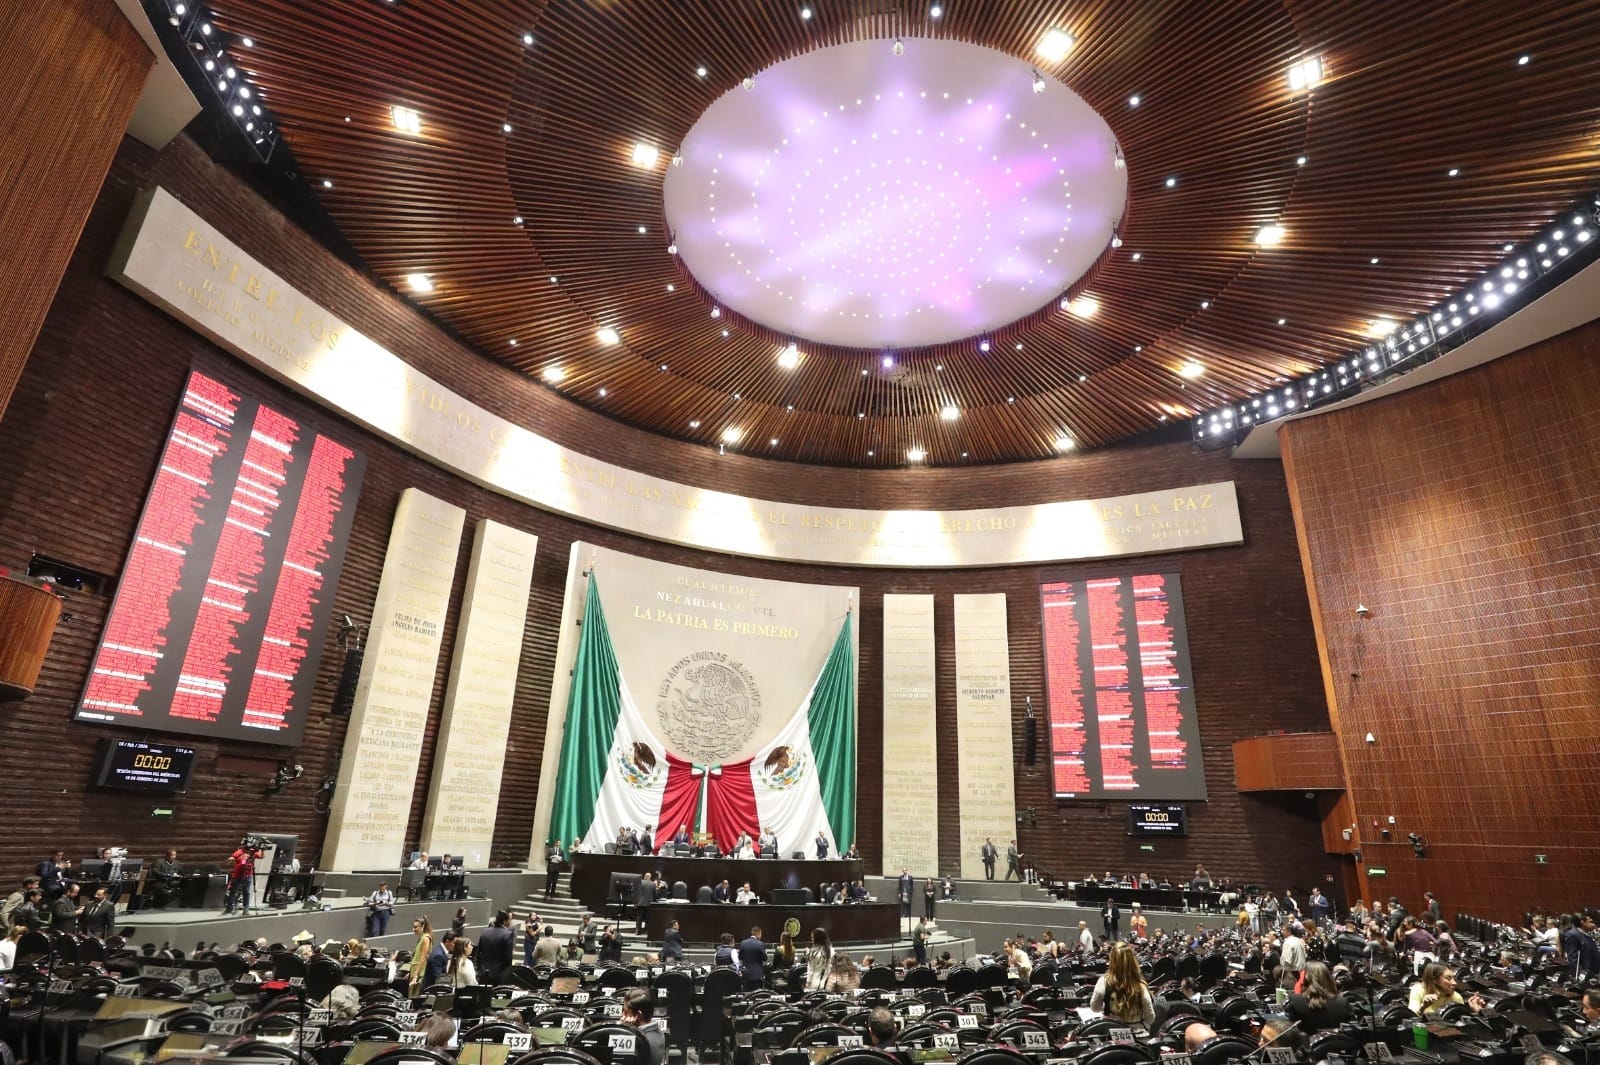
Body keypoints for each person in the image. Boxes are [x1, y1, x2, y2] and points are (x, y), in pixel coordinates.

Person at [1090, 942, 1154, 1025]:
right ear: (1133, 961)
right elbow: (1150, 1018)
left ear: (1112, 960)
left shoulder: (1103, 982)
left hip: (1111, 1033)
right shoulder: (1141, 985)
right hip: (1138, 1035)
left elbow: (1095, 1008)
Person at [1285, 960, 1350, 1033]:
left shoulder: (1295, 1001)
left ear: (1305, 979)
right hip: (1338, 1043)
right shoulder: (1343, 1002)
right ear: (1328, 977)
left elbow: (1289, 1033)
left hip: (1305, 1044)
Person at [1409, 962, 1485, 1016]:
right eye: (1448, 978)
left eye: (1454, 978)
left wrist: (1477, 1012)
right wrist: (1423, 1007)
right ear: (1435, 980)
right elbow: (1410, 1018)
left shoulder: (1456, 997)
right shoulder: (1419, 990)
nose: (1454, 983)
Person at [621, 987, 666, 1065]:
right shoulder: (656, 1031)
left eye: (625, 1012)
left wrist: (626, 1030)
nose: (622, 1016)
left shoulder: (643, 1042)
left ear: (638, 1015)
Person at [476, 909, 515, 984]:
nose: (510, 922)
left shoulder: (485, 932)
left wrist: (480, 969)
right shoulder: (508, 934)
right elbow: (508, 958)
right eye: (509, 920)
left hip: (484, 972)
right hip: (499, 975)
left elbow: (478, 953)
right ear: (505, 921)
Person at [223, 841, 259, 916]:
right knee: (233, 892)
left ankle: (245, 910)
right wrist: (230, 859)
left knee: (246, 892)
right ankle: (229, 909)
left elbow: (261, 856)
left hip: (248, 875)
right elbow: (233, 857)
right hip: (237, 875)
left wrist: (262, 849)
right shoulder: (240, 851)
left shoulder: (253, 852)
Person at [407, 916, 433, 997]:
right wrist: (410, 971)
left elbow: (423, 957)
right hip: (416, 972)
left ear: (422, 926)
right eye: (413, 927)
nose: (413, 929)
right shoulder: (421, 938)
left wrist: (415, 975)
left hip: (419, 974)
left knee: (414, 998)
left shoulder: (425, 939)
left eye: (415, 927)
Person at [1279, 922, 1307, 988]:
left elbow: (1287, 961)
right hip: (1301, 972)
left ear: (1289, 931)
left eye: (1283, 930)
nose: (1282, 931)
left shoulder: (1288, 942)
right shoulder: (1299, 940)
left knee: (1291, 994)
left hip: (1291, 974)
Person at [739, 925, 766, 991]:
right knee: (756, 995)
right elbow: (765, 958)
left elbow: (740, 957)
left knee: (746, 995)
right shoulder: (760, 944)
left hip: (746, 974)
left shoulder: (743, 943)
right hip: (757, 975)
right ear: (759, 933)